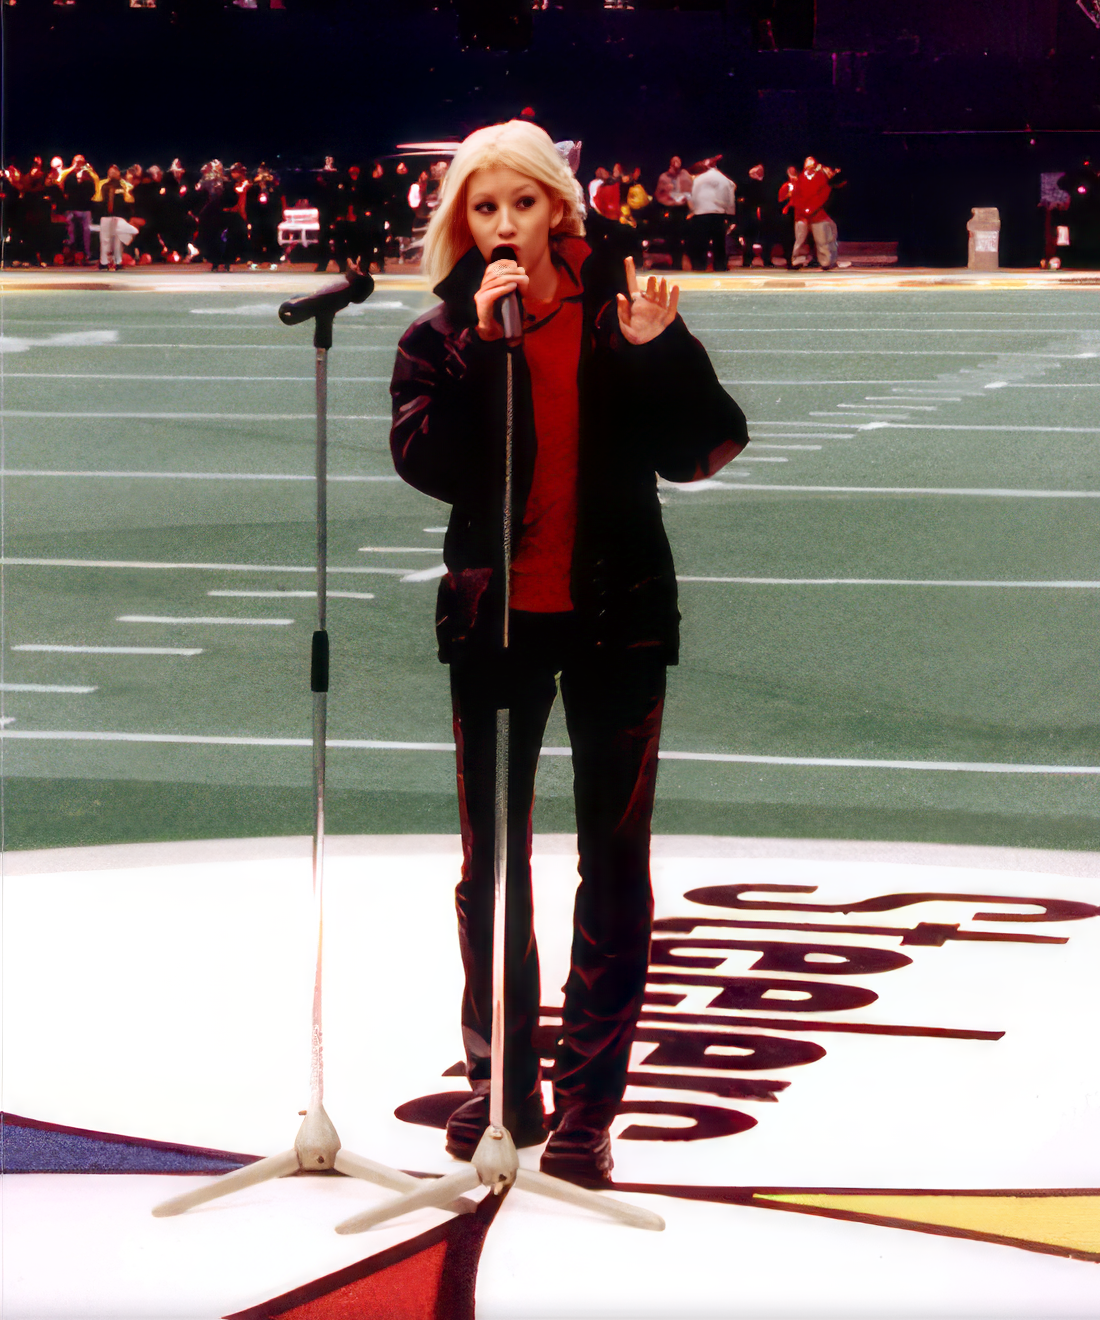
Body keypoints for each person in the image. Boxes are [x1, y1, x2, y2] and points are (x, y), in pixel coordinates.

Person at [388, 119, 748, 1187]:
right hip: (496, 620)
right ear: (464, 219)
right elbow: (432, 464)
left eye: (523, 205)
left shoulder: (617, 312)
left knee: (611, 862)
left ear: (560, 208)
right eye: (484, 208)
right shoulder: (442, 332)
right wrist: (483, 349)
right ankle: (503, 1083)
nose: (505, 226)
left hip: (616, 615)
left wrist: (662, 355)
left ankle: (589, 1104)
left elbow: (706, 448)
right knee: (488, 867)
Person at [790, 156, 838, 271]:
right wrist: (803, 210)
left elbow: (822, 196)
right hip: (801, 215)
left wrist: (810, 209)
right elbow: (796, 196)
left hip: (817, 214)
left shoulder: (821, 178)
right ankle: (798, 260)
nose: (809, 168)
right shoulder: (800, 179)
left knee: (822, 239)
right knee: (800, 239)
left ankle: (826, 261)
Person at [687, 156, 735, 271]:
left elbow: (690, 196)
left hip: (701, 213)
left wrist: (692, 211)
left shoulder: (698, 179)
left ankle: (699, 265)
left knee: (701, 241)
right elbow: (730, 197)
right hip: (718, 213)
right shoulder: (725, 180)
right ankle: (720, 266)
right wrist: (730, 214)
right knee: (719, 242)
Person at [653, 154, 693, 270]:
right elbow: (658, 194)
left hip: (684, 209)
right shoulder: (664, 177)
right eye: (674, 161)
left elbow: (691, 189)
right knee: (672, 237)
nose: (676, 164)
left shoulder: (685, 175)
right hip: (670, 209)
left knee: (685, 237)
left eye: (678, 161)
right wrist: (666, 191)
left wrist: (688, 200)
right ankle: (675, 262)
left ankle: (687, 261)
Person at [60, 154, 98, 264]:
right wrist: (73, 168)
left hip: (86, 208)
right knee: (71, 231)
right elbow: (63, 185)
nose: (79, 163)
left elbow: (95, 186)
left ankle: (87, 254)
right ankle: (72, 253)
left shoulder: (88, 177)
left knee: (87, 231)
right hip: (72, 208)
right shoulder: (69, 176)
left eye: (81, 161)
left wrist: (88, 172)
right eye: (77, 161)